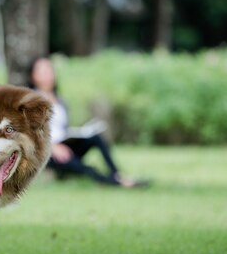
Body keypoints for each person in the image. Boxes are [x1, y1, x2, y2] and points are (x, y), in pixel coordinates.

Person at [28, 57, 150, 188]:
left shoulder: (61, 100)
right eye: (42, 71)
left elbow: (61, 128)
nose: (47, 75)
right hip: (48, 152)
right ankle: (117, 184)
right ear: (33, 76)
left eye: (49, 70)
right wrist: (52, 147)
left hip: (66, 145)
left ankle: (117, 174)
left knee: (96, 138)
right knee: (89, 170)